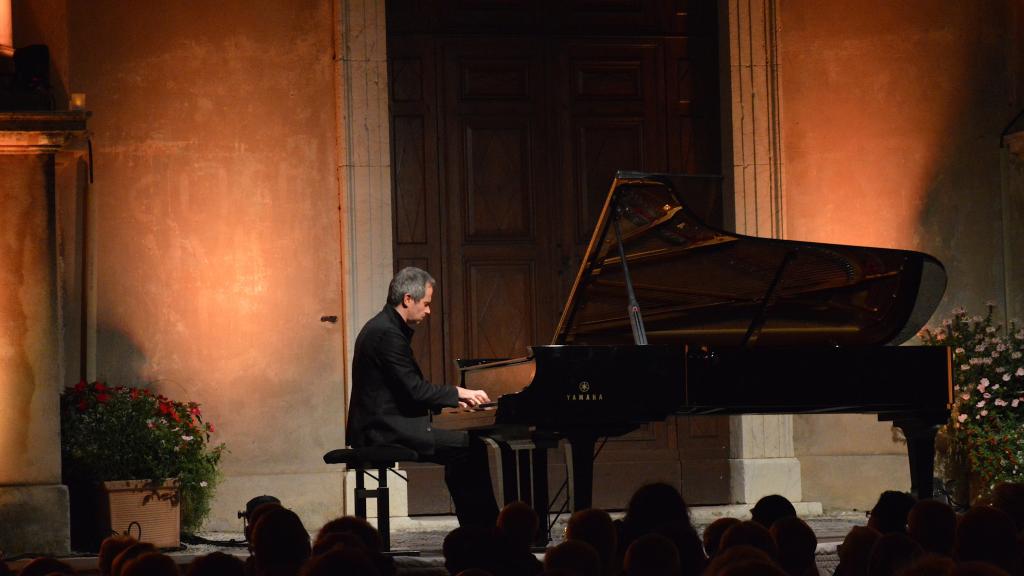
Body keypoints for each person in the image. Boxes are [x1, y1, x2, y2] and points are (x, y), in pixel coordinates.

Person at [346, 267, 499, 528]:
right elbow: (415, 391)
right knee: (469, 447)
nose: (429, 311)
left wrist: (452, 400)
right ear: (408, 299)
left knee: (466, 446)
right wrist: (457, 393)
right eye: (426, 303)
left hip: (384, 423)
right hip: (383, 429)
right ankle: (486, 532)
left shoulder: (384, 327)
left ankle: (479, 530)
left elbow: (407, 392)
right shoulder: (387, 334)